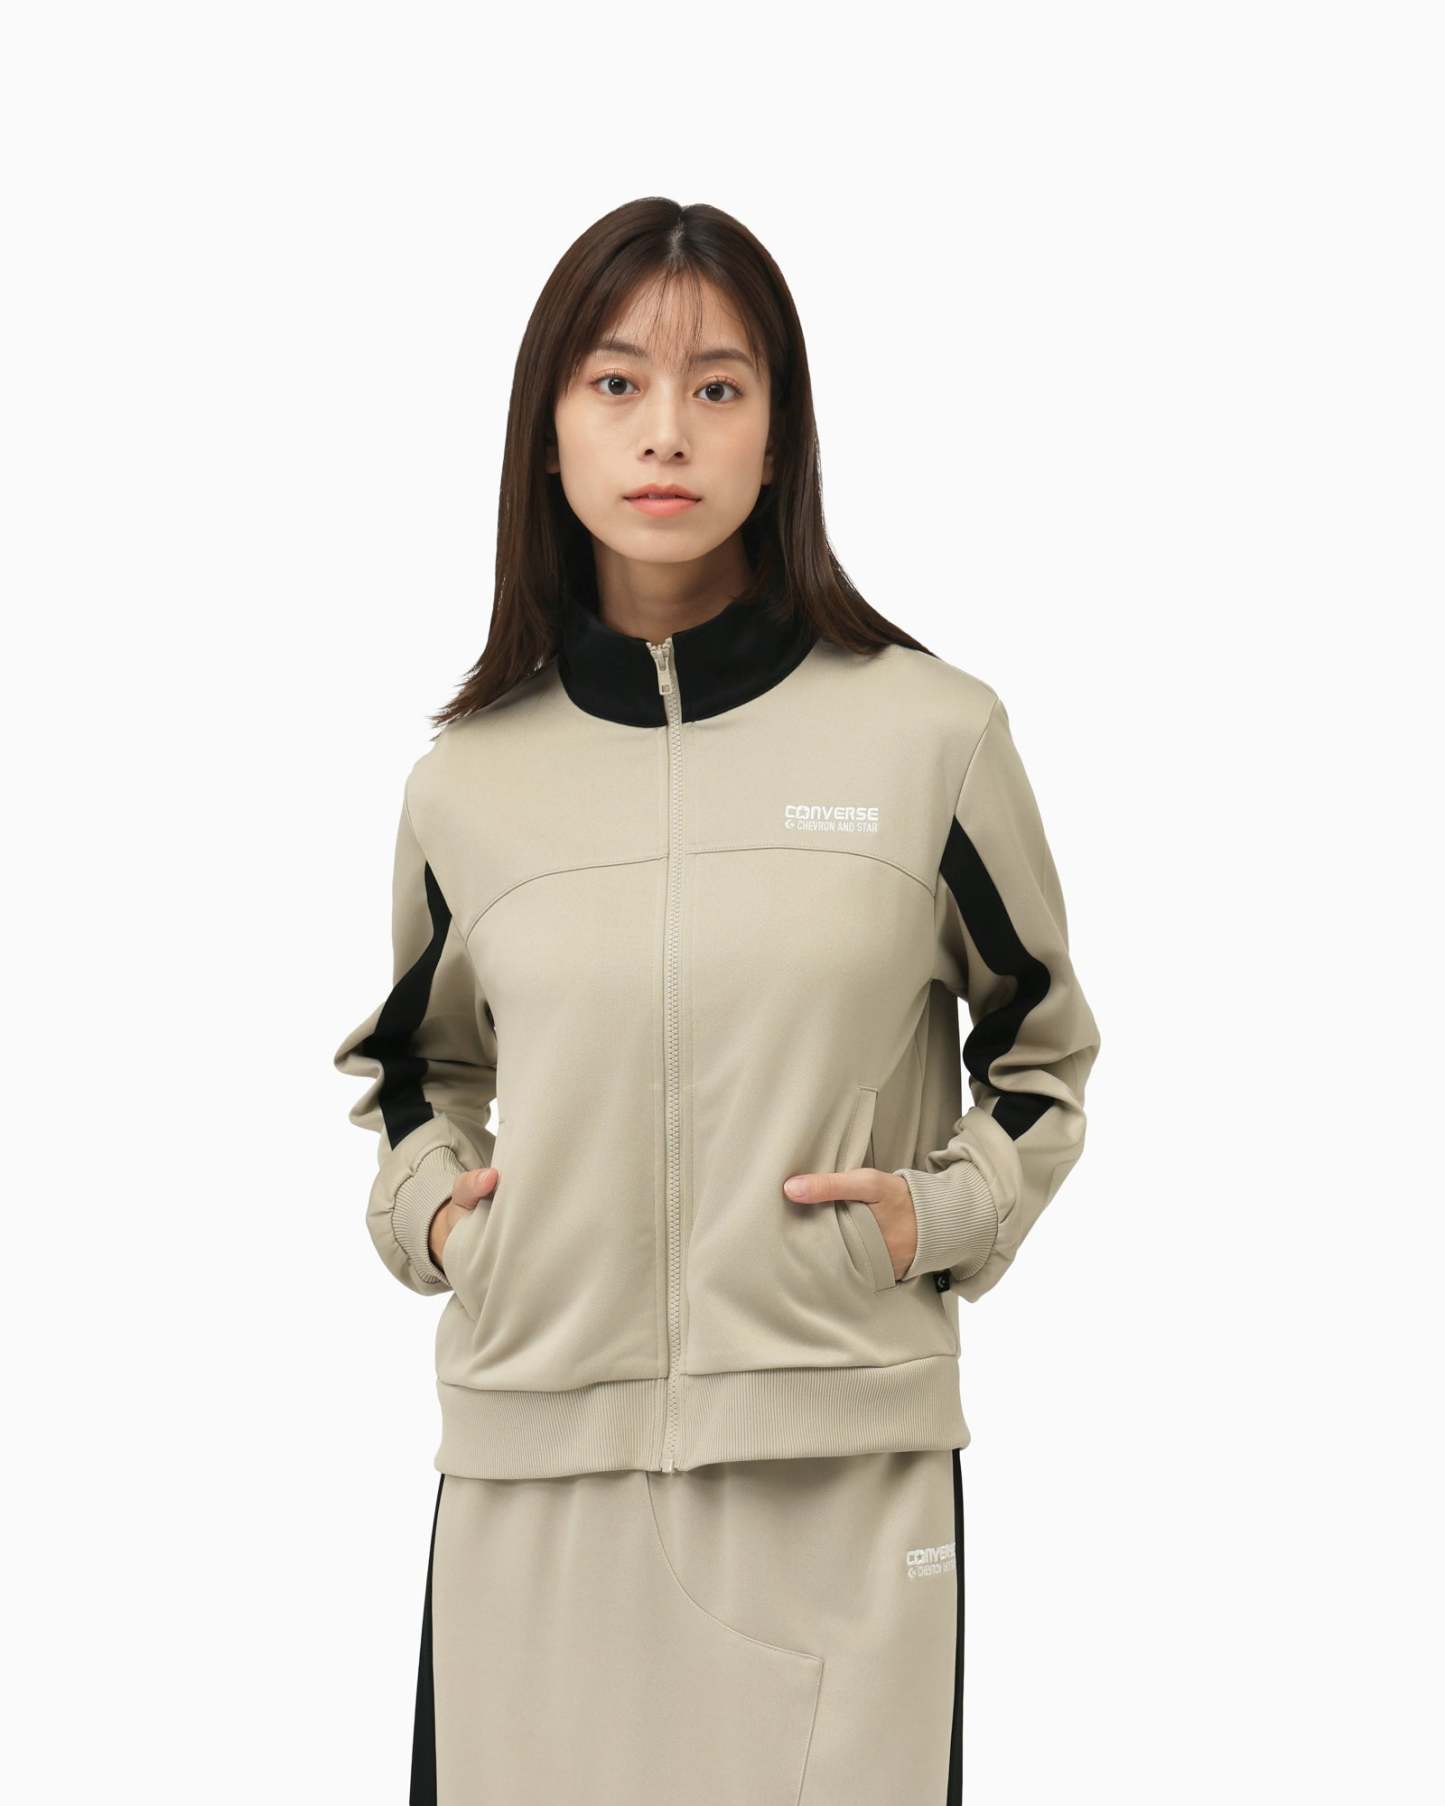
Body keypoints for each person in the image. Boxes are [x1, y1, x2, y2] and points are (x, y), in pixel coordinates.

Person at [332, 196, 1101, 1806]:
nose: (665, 430)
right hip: (533, 1466)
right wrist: (448, 1222)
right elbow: (415, 1066)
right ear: (548, 435)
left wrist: (933, 1215)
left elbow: (1039, 1045)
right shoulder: (469, 783)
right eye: (615, 383)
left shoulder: (930, 736)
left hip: (839, 1464)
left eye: (718, 386)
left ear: (778, 436)